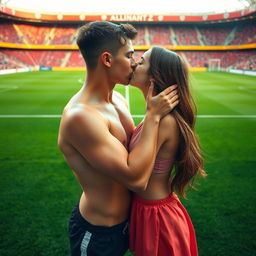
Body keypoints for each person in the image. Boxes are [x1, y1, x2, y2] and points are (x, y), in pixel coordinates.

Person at [57, 21, 179, 256]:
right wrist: (153, 117)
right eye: (130, 55)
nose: (134, 62)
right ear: (107, 59)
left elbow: (138, 152)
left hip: (129, 223)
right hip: (99, 231)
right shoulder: (81, 116)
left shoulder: (119, 102)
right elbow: (135, 179)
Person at [128, 46, 206, 256]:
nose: (134, 63)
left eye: (142, 61)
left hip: (158, 217)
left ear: (155, 76)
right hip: (148, 211)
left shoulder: (164, 121)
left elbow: (133, 173)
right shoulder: (154, 115)